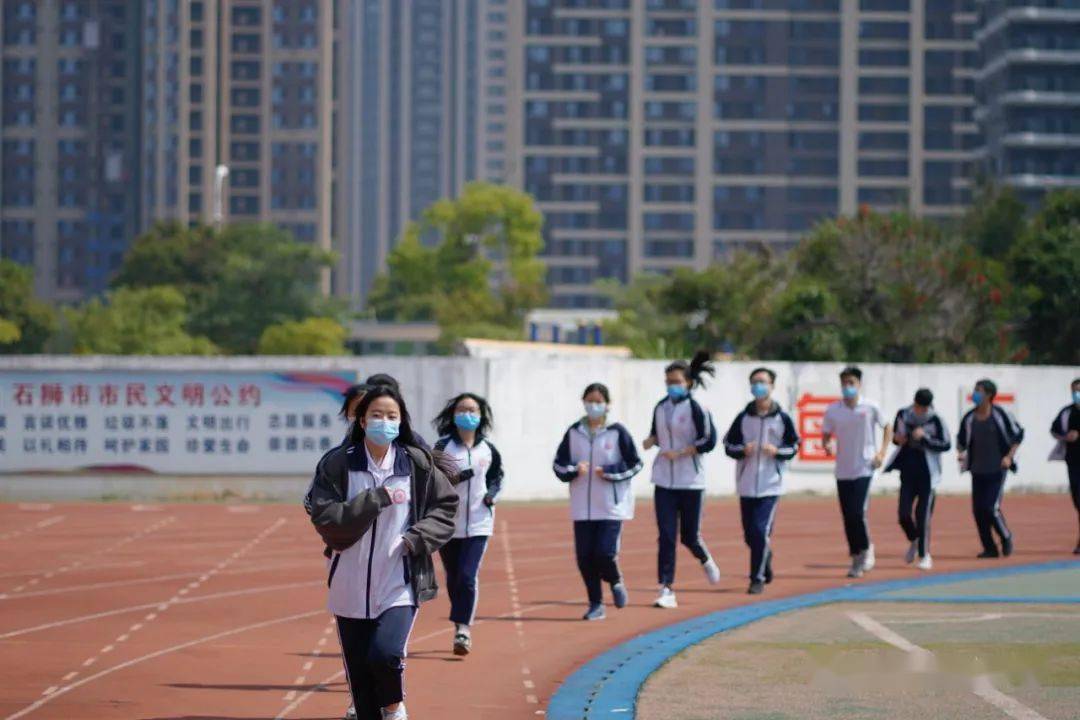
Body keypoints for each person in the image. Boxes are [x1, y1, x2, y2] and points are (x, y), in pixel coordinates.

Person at [305, 385, 458, 720]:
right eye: (376, 415)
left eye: (392, 416)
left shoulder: (416, 464)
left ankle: (393, 705)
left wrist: (416, 538)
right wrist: (377, 498)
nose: (384, 422)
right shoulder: (338, 464)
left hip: (399, 580)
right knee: (360, 681)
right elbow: (326, 518)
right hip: (349, 583)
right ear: (361, 420)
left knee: (386, 654)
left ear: (401, 422)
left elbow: (445, 509)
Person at [553, 383, 643, 621]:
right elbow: (558, 465)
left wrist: (610, 472)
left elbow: (635, 463)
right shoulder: (573, 432)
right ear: (583, 402)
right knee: (584, 557)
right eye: (589, 400)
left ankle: (615, 580)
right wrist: (574, 470)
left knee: (604, 552)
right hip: (582, 506)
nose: (593, 405)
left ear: (607, 405)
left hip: (611, 506)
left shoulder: (617, 432)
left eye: (598, 401)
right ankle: (596, 604)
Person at [643, 351, 720, 609]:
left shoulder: (698, 408)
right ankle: (666, 588)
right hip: (664, 479)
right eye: (668, 382)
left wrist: (683, 452)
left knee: (689, 536)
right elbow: (657, 432)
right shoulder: (660, 407)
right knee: (666, 535)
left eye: (676, 381)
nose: (671, 386)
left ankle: (705, 558)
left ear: (688, 382)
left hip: (691, 480)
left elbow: (708, 440)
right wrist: (651, 440)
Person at [433, 393, 504, 656]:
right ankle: (460, 622)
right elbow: (433, 480)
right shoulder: (442, 448)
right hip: (448, 523)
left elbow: (498, 477)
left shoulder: (488, 449)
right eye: (463, 409)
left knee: (467, 575)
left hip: (479, 522)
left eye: (473, 410)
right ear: (453, 414)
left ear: (481, 415)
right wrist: (461, 476)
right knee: (453, 578)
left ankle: (463, 628)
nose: (468, 414)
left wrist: (491, 495)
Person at [722, 367, 800, 595]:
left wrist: (776, 451)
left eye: (763, 382)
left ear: (772, 386)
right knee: (750, 534)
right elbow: (728, 445)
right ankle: (765, 556)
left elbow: (794, 446)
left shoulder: (782, 418)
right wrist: (742, 450)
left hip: (770, 484)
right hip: (746, 483)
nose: (759, 386)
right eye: (755, 381)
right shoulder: (743, 417)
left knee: (759, 531)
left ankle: (756, 578)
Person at [821, 366, 891, 579]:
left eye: (852, 383)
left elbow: (887, 426)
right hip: (843, 468)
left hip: (865, 466)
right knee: (847, 515)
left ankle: (861, 555)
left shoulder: (870, 407)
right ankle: (859, 550)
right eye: (844, 383)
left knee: (857, 512)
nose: (848, 387)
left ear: (859, 384)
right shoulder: (833, 410)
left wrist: (881, 452)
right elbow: (826, 433)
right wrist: (827, 445)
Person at [885, 388, 951, 571]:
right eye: (917, 407)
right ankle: (914, 539)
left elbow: (946, 444)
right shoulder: (904, 414)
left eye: (923, 408)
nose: (919, 411)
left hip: (928, 474)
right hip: (908, 471)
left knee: (923, 515)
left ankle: (924, 554)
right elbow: (896, 439)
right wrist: (899, 439)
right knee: (903, 514)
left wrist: (926, 438)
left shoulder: (936, 419)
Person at [957, 378, 1024, 559]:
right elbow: (961, 441)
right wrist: (961, 453)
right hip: (977, 470)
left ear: (988, 395)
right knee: (978, 510)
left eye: (978, 391)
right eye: (974, 390)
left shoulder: (1001, 415)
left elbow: (1018, 435)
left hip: (997, 469)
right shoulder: (969, 418)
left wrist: (1009, 457)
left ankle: (1006, 536)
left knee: (990, 507)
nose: (975, 394)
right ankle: (989, 548)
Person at [1049, 378, 1080, 554]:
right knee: (1077, 501)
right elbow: (1054, 430)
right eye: (1074, 391)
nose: (1077, 395)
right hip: (1073, 463)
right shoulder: (1067, 413)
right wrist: (1065, 437)